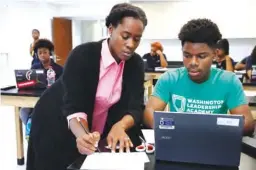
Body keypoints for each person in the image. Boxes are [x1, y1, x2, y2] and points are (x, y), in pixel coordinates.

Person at [26, 3, 147, 170]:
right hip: (55, 119)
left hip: (93, 127)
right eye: (125, 36)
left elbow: (135, 107)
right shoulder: (83, 55)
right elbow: (74, 106)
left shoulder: (135, 64)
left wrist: (120, 125)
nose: (131, 44)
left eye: (137, 38)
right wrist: (82, 136)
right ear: (110, 30)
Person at [143, 19, 255, 135]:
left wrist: (210, 131)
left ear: (215, 54)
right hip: (178, 142)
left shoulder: (229, 81)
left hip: (214, 143)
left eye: (201, 56)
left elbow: (247, 123)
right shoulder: (169, 79)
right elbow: (149, 114)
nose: (193, 62)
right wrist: (173, 128)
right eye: (187, 55)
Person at [20, 39, 63, 140]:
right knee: (23, 111)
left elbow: (63, 87)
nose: (42, 55)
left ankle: (37, 132)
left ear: (50, 53)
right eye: (40, 53)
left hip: (52, 101)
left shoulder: (59, 69)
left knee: (41, 112)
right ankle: (33, 133)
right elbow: (29, 83)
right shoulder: (34, 67)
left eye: (45, 52)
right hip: (35, 100)